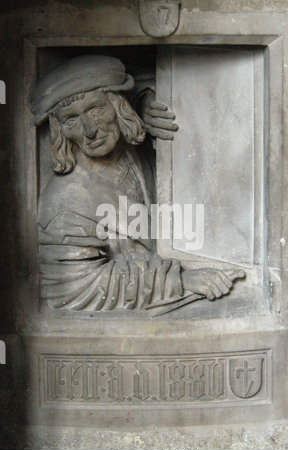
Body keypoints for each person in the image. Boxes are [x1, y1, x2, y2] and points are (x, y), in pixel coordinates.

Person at [30, 55, 239, 315]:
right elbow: (74, 287)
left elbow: (155, 80)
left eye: (96, 109)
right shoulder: (64, 202)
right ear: (59, 130)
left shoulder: (132, 151)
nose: (90, 130)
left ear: (118, 107)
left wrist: (149, 103)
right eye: (71, 120)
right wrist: (178, 281)